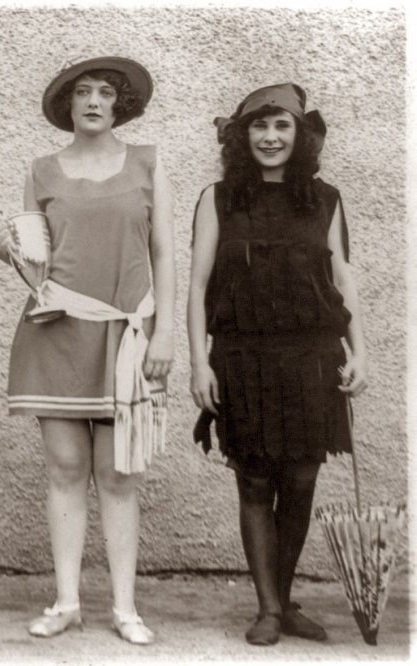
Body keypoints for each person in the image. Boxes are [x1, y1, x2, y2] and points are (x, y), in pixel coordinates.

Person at [0, 56, 175, 645]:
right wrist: (4, 252)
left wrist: (165, 332)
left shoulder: (148, 162)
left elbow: (165, 253)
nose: (93, 101)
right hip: (57, 334)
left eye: (104, 93)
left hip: (126, 337)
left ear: (120, 104)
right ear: (67, 105)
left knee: (118, 475)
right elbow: (38, 270)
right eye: (82, 93)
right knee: (65, 471)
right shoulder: (42, 170)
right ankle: (66, 602)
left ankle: (124, 608)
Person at [188, 83, 368, 646]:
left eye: (281, 126)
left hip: (313, 358)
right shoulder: (217, 198)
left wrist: (362, 351)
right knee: (255, 479)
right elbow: (195, 288)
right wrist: (199, 363)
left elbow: (343, 280)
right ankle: (268, 608)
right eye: (259, 127)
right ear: (243, 136)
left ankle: (284, 601)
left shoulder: (326, 199)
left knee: (302, 478)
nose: (270, 137)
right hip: (243, 358)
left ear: (299, 134)